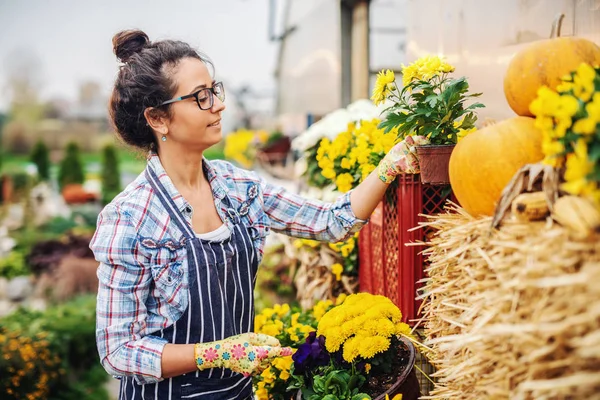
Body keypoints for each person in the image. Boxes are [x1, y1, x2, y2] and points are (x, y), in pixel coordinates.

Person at [89, 29, 424, 400]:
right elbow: (119, 351)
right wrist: (217, 353)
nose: (218, 105)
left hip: (238, 392)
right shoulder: (130, 218)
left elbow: (333, 221)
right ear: (158, 118)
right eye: (201, 97)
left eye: (214, 90)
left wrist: (390, 165)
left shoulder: (238, 189)